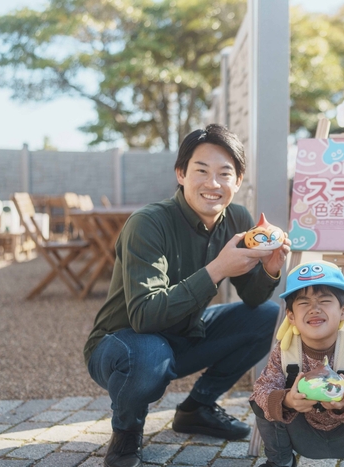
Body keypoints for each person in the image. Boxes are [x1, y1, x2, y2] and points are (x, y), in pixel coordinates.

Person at [84, 124, 291, 467]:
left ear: (238, 181)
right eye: (201, 171)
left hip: (184, 334)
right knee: (148, 354)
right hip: (122, 343)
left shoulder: (237, 219)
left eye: (225, 173)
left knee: (269, 318)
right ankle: (126, 434)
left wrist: (269, 269)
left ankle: (197, 408)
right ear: (181, 174)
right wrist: (217, 269)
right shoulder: (148, 223)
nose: (213, 183)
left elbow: (253, 300)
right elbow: (145, 316)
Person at [249, 260, 344, 467]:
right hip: (301, 435)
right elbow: (261, 391)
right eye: (304, 303)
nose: (314, 309)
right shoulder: (285, 351)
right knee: (264, 401)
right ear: (291, 316)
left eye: (325, 301)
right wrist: (287, 401)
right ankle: (280, 461)